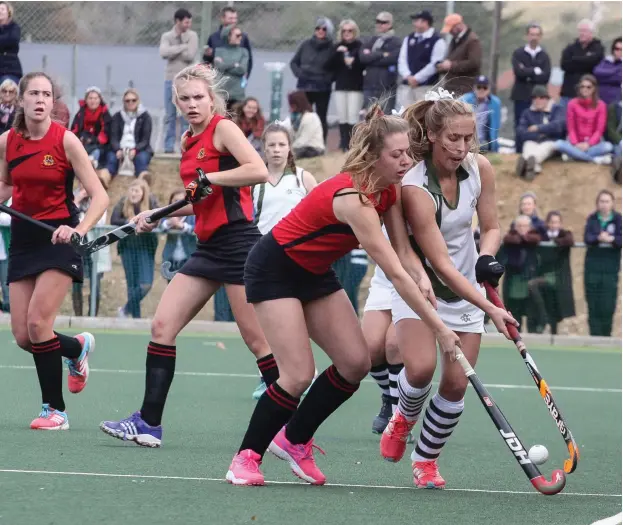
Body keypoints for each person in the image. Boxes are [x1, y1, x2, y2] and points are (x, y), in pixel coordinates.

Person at [226, 105, 465, 487]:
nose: (406, 161)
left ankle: (293, 440)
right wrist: (440, 328)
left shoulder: (389, 189)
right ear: (373, 156)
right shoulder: (354, 198)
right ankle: (246, 457)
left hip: (313, 273)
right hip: (274, 270)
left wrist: (422, 276)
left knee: (355, 362)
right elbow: (391, 271)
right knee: (297, 373)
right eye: (396, 155)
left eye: (407, 153)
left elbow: (404, 254)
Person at [100, 64, 271, 447]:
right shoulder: (187, 143)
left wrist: (212, 179)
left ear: (212, 100)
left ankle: (293, 426)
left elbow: (259, 170)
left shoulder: (223, 129)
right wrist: (157, 213)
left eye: (199, 97)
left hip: (240, 243)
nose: (192, 104)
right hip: (208, 247)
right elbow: (200, 203)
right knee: (162, 327)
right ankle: (148, 423)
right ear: (176, 102)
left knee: (258, 342)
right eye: (185, 98)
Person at [380, 90, 517, 489]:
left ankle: (426, 460)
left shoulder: (481, 169)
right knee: (420, 370)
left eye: (468, 139)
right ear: (435, 136)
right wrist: (491, 308)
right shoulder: (415, 186)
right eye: (453, 139)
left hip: (466, 287)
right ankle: (402, 416)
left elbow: (490, 227)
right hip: (419, 284)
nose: (461, 148)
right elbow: (438, 262)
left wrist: (486, 258)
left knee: (456, 383)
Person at [0, 71, 109, 429]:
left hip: (60, 237)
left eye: (47, 94)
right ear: (22, 99)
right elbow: (5, 184)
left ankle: (55, 412)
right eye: (34, 93)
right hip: (24, 239)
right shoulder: (7, 142)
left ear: (53, 101)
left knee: (37, 323)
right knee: (22, 335)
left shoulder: (66, 141)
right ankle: (76, 349)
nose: (41, 99)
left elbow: (100, 196)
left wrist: (77, 229)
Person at [250, 121, 317, 400]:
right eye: (271, 145)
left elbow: (321, 212)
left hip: (299, 259)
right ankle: (269, 376)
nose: (276, 150)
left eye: (281, 144)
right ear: (263, 149)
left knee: (301, 319)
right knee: (268, 323)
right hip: (265, 261)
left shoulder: (302, 178)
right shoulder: (254, 180)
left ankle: (304, 371)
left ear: (290, 148)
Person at [583, 189, 622, 336]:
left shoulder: (618, 219)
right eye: (601, 201)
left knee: (607, 306)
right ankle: (594, 338)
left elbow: (620, 239)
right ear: (597, 203)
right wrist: (599, 238)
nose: (604, 204)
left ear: (612, 203)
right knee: (593, 305)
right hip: (592, 270)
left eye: (607, 201)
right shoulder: (592, 219)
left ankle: (606, 337)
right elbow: (588, 238)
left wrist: (611, 239)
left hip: (610, 271)